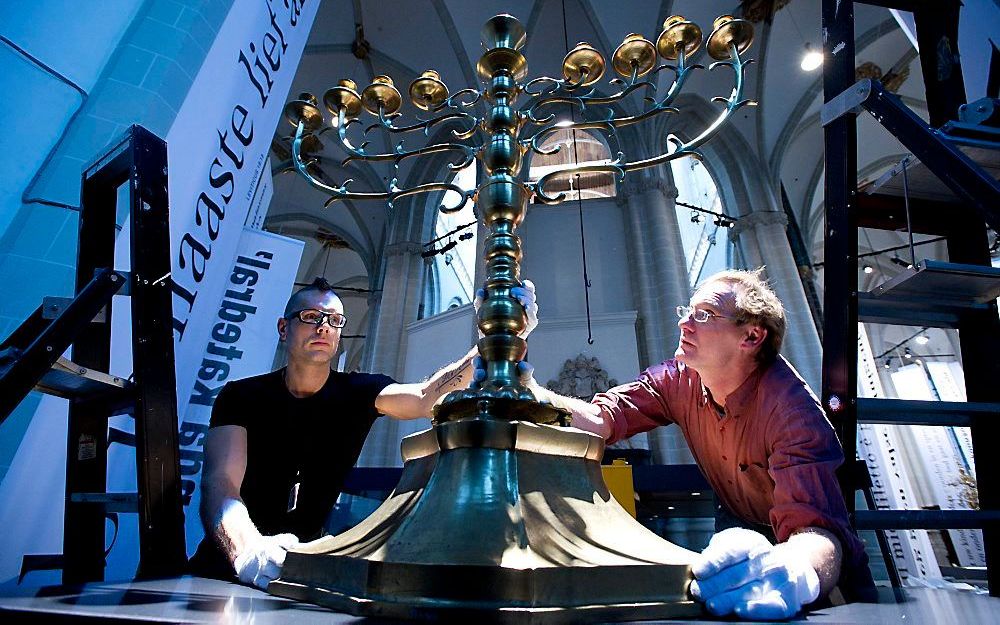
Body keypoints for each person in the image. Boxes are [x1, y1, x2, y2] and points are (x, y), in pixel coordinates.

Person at [522, 268, 875, 620]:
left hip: (814, 576)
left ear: (751, 336)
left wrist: (797, 571)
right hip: (735, 524)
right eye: (686, 312)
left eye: (703, 315)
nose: (684, 324)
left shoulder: (792, 411)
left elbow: (818, 531)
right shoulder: (678, 380)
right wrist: (526, 388)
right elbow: (603, 420)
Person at [190, 277, 537, 589]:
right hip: (223, 569)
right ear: (284, 328)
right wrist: (247, 551)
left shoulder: (358, 392)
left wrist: (500, 338)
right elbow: (221, 482)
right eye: (311, 317)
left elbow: (425, 397)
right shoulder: (241, 396)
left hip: (301, 572)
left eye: (334, 321)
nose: (323, 327)